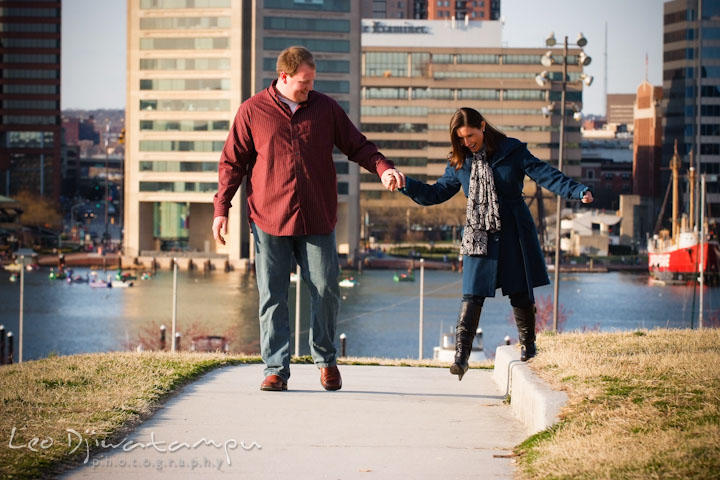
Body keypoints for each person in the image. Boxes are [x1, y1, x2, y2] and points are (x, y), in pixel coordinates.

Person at [211, 46, 404, 392]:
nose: (308, 88)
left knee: (327, 289)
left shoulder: (325, 108)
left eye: (312, 81)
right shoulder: (252, 111)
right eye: (304, 82)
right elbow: (232, 164)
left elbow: (357, 145)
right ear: (284, 77)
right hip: (269, 219)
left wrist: (383, 167)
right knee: (273, 295)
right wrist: (221, 209)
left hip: (317, 218)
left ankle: (327, 361)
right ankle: (275, 369)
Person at [399, 107, 593, 380]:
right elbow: (436, 192)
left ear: (482, 126)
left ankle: (528, 347)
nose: (467, 142)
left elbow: (545, 174)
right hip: (479, 231)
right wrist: (406, 184)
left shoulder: (512, 151)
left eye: (470, 135)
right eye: (461, 138)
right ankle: (461, 357)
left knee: (520, 290)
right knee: (472, 292)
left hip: (513, 227)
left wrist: (577, 191)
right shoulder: (459, 161)